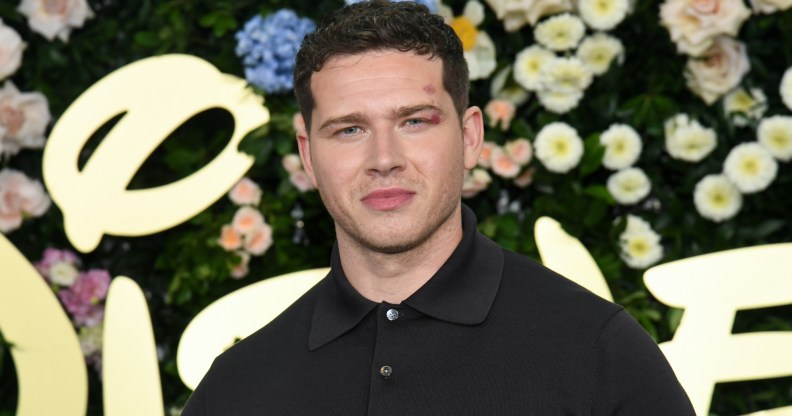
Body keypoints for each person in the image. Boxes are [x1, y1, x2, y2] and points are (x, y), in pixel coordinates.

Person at [182, 1, 695, 415]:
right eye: (349, 130)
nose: (384, 159)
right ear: (307, 156)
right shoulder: (236, 389)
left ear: (470, 137)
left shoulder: (598, 352)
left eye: (415, 122)